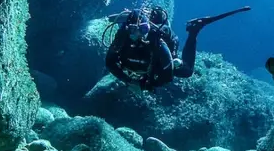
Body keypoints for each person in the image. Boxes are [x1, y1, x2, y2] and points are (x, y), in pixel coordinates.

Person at [104, 5, 251, 91]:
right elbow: (110, 62)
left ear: (148, 28)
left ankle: (194, 30)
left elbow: (167, 74)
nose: (139, 34)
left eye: (143, 30)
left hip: (155, 62)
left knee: (186, 71)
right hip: (138, 64)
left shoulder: (156, 38)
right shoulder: (122, 36)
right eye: (134, 30)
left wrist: (146, 85)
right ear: (127, 28)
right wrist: (130, 81)